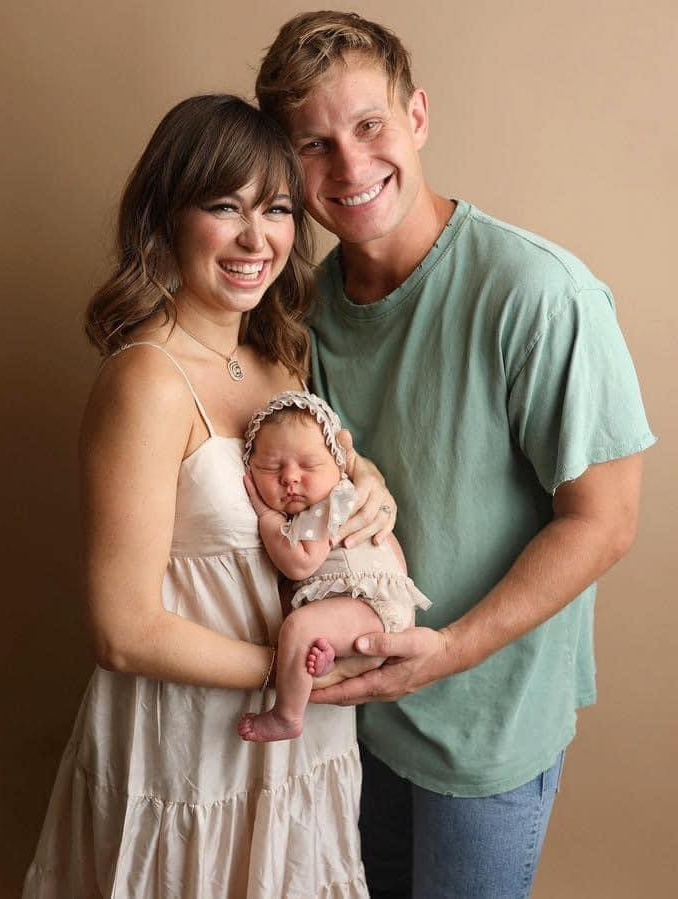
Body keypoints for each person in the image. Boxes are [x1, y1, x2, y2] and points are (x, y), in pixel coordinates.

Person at [256, 11, 656, 898]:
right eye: (315, 145)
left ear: (418, 116)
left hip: (486, 732)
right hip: (350, 717)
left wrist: (447, 650)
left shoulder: (538, 293)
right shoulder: (301, 308)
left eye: (370, 125)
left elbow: (606, 521)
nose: (350, 167)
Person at [22, 94, 382, 898]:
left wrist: (372, 484)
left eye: (277, 209)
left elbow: (328, 482)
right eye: (225, 207)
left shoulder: (280, 361)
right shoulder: (147, 380)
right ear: (168, 216)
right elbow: (122, 630)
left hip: (299, 743)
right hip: (188, 754)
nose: (257, 239)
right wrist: (300, 673)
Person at [236, 390, 431, 743]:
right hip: (369, 612)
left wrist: (266, 517)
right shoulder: (327, 501)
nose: (290, 478)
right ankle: (329, 660)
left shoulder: (332, 502)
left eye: (308, 466)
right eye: (271, 467)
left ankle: (286, 716)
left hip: (371, 606)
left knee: (298, 628)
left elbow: (300, 564)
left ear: (339, 464)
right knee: (310, 640)